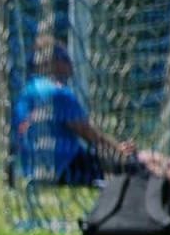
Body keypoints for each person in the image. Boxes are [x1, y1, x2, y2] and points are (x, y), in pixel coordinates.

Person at [13, 36, 137, 185]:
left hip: (31, 169)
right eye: (65, 57)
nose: (70, 62)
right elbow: (88, 134)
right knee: (138, 165)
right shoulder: (57, 92)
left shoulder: (26, 91)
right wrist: (118, 150)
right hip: (65, 168)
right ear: (53, 61)